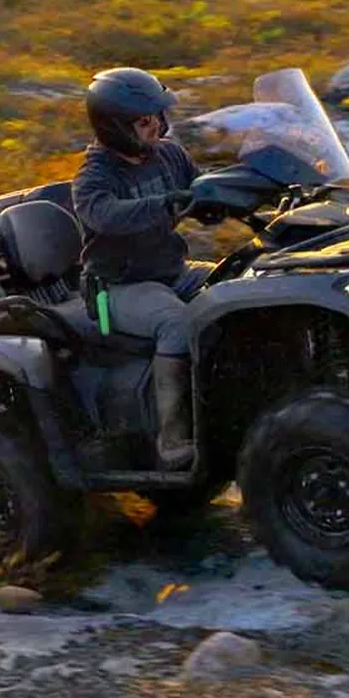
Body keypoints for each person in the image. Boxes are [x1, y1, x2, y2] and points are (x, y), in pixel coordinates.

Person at [71, 66, 213, 470]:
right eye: (145, 121)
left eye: (158, 117)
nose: (157, 126)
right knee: (176, 323)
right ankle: (173, 438)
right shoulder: (93, 178)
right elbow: (107, 216)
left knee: (243, 285)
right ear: (115, 128)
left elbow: (200, 190)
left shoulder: (169, 154)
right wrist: (165, 203)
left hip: (173, 271)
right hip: (119, 287)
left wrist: (228, 193)